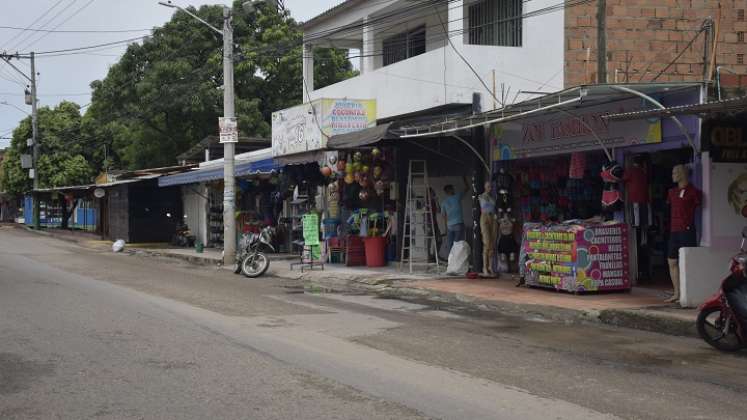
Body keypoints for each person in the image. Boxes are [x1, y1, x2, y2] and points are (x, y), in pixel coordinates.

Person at [666, 164, 702, 304]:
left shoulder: (694, 192)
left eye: (676, 172)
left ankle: (687, 293)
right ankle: (676, 292)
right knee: (672, 261)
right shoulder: (672, 192)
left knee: (686, 262)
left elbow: (698, 205)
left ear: (683, 174)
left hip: (687, 230)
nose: (673, 174)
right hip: (674, 231)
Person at [441, 177, 470, 255]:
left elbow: (444, 216)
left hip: (450, 225)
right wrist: (465, 179)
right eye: (452, 189)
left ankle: (451, 261)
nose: (454, 190)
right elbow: (467, 188)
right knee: (458, 244)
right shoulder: (457, 197)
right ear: (450, 190)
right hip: (458, 224)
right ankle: (456, 260)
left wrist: (446, 227)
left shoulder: (444, 202)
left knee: (451, 244)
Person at [479, 181, 497, 276]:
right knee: (486, 242)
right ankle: (484, 267)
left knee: (492, 243)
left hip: (493, 218)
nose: (490, 188)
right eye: (488, 186)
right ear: (485, 187)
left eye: (491, 186)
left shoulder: (493, 197)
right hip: (485, 217)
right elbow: (483, 205)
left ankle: (490, 266)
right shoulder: (481, 196)